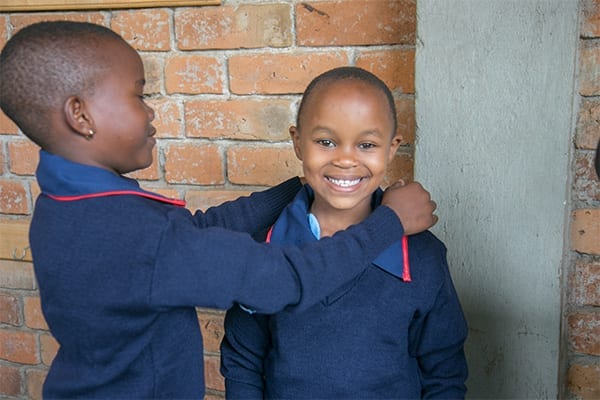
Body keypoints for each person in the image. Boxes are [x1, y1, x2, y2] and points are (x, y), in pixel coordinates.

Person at [0, 22, 438, 399]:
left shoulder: (67, 206)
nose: (152, 112)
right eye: (139, 95)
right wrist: (390, 222)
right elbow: (284, 279)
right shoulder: (136, 236)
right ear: (80, 114)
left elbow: (193, 234)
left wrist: (299, 186)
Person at [221, 67, 468, 398]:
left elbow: (444, 373)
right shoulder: (262, 249)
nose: (346, 160)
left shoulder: (422, 256)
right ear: (297, 142)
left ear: (392, 149)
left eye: (366, 144)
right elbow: (243, 360)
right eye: (326, 142)